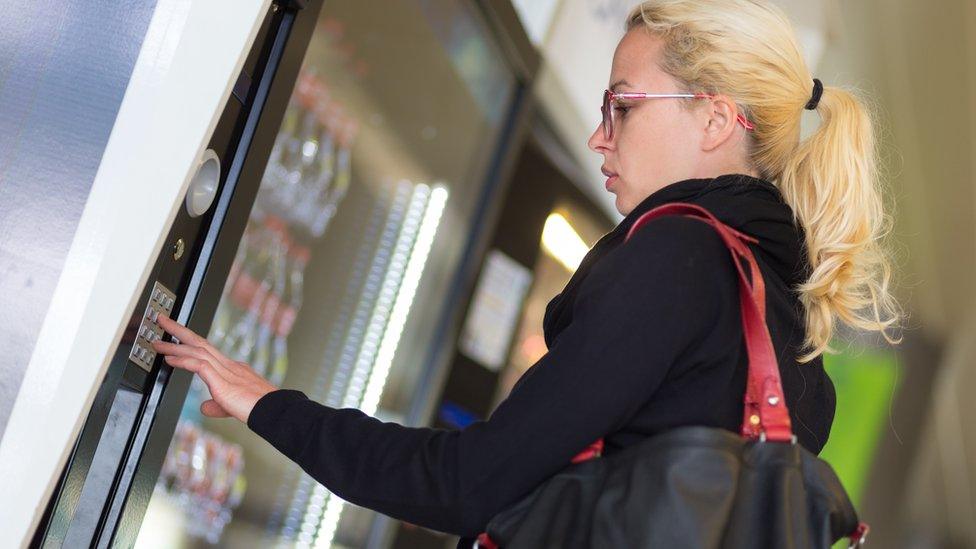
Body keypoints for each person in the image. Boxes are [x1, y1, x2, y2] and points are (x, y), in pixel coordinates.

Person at [152, 0, 902, 545]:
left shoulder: (680, 259)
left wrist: (270, 406)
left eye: (622, 105)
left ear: (714, 118)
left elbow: (467, 484)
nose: (599, 136)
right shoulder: (797, 344)